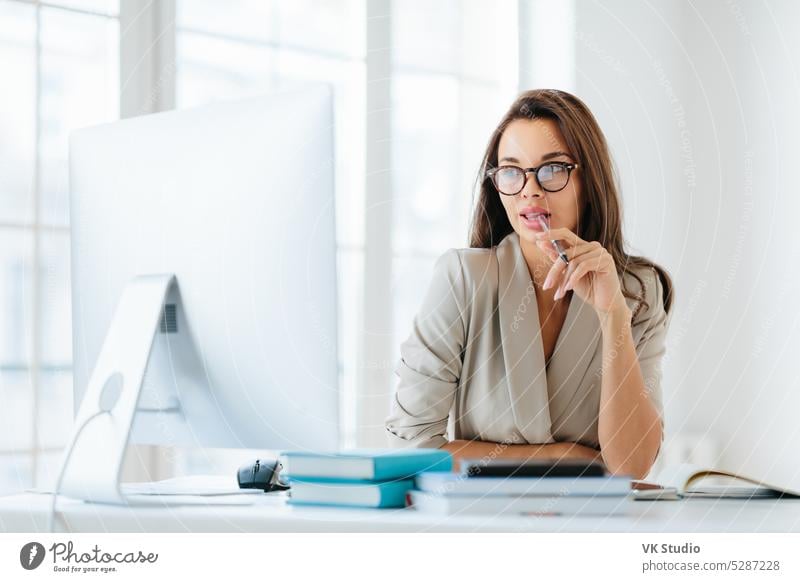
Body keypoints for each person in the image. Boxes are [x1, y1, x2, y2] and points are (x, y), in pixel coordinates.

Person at [384, 89, 673, 480]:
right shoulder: (464, 279)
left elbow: (632, 465)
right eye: (511, 171)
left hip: (594, 531)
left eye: (552, 169)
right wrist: (569, 460)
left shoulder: (639, 292)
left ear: (589, 179)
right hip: (484, 528)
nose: (530, 189)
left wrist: (613, 315)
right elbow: (411, 450)